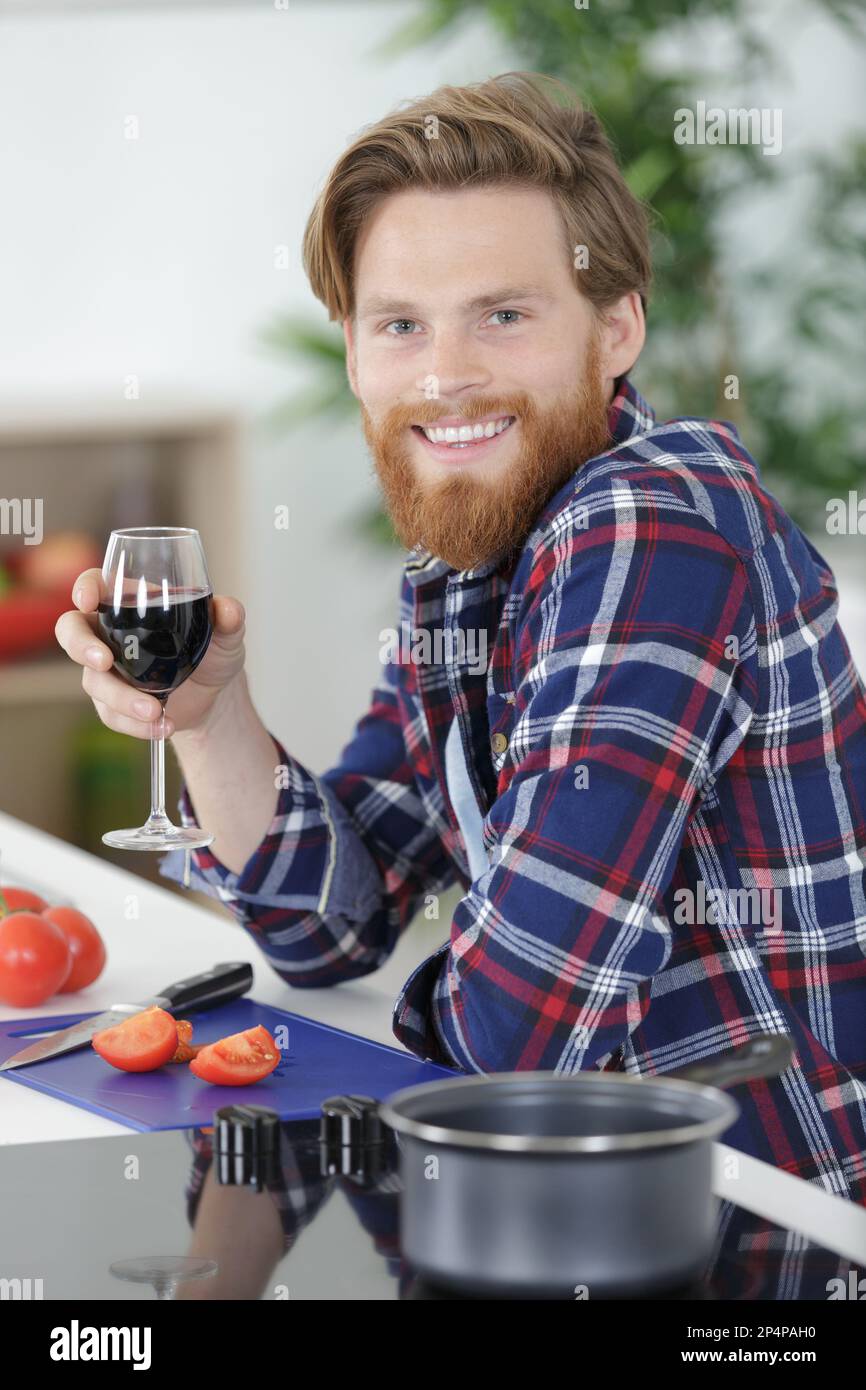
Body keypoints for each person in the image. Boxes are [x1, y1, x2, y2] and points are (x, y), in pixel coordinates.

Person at [56, 73, 866, 1203]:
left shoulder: (649, 525)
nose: (444, 376)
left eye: (503, 313)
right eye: (400, 325)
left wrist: (443, 986)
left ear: (615, 323)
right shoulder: (468, 553)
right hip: (596, 1198)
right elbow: (331, 926)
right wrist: (209, 717)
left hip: (764, 1218)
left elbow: (515, 1038)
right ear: (350, 350)